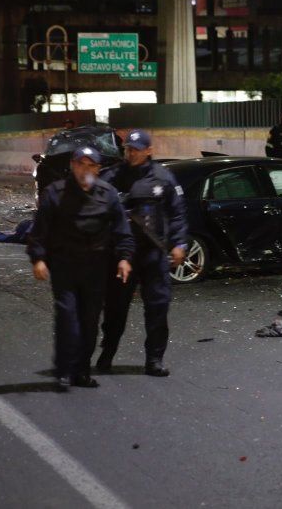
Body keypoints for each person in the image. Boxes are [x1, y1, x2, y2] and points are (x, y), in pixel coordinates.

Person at [26, 146, 134, 391]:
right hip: (65, 266)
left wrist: (124, 258)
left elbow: (122, 231)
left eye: (91, 165)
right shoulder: (55, 193)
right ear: (73, 166)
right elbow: (39, 231)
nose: (85, 169)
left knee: (89, 322)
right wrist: (38, 259)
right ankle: (64, 371)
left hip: (96, 269)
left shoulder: (107, 194)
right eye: (80, 164)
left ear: (98, 169)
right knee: (68, 319)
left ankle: (81, 371)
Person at [97, 129, 187, 377]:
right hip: (121, 256)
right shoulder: (112, 176)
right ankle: (107, 352)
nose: (131, 153)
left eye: (136, 149)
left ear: (149, 151)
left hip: (152, 254)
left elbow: (177, 214)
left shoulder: (163, 177)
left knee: (158, 307)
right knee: (115, 308)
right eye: (128, 149)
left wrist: (179, 244)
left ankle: (154, 359)